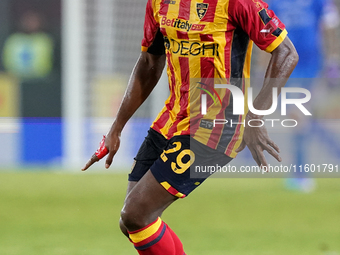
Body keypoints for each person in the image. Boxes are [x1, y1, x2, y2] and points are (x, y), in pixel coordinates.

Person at [82, 0, 298, 254]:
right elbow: (149, 62)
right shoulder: (159, 3)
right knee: (130, 222)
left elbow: (286, 52)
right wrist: (117, 127)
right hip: (171, 120)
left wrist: (255, 117)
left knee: (136, 215)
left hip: (215, 126)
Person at [262, 0, 340, 192]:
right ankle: (300, 173)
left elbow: (329, 27)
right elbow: (264, 33)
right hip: (283, 68)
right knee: (298, 121)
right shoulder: (272, 2)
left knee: (300, 121)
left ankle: (300, 174)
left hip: (312, 68)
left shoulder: (318, 1)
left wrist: (331, 59)